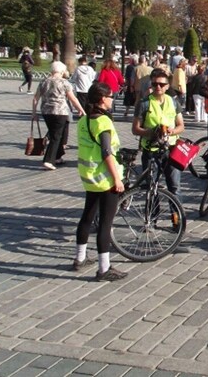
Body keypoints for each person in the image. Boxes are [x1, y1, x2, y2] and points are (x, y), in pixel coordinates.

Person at [74, 82, 127, 282]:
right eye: (110, 96)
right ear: (102, 99)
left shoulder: (84, 120)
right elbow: (107, 153)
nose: (113, 99)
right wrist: (117, 179)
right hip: (105, 177)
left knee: (87, 216)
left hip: (89, 175)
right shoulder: (103, 122)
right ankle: (104, 267)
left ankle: (80, 257)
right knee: (105, 222)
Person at [132, 68, 184, 203]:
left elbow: (181, 126)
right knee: (151, 187)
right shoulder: (144, 103)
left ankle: (176, 218)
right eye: (154, 84)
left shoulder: (173, 102)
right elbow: (135, 129)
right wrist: (151, 132)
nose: (158, 87)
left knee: (174, 186)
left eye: (161, 84)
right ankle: (152, 219)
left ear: (167, 86)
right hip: (151, 150)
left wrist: (172, 131)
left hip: (171, 150)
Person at [32, 61, 85, 170]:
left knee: (55, 133)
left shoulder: (43, 81)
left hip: (46, 111)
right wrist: (81, 110)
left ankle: (58, 156)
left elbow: (35, 98)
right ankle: (48, 160)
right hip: (60, 112)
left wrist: (34, 113)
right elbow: (72, 98)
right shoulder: (64, 83)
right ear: (61, 71)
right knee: (56, 136)